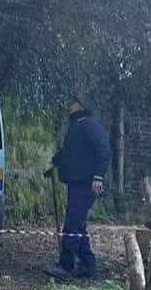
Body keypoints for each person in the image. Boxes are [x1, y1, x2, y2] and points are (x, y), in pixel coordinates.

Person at [46, 94, 111, 280]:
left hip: (85, 184)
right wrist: (53, 163)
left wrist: (98, 176)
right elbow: (68, 151)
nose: (70, 106)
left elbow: (104, 149)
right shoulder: (77, 126)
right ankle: (88, 264)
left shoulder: (90, 124)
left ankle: (65, 266)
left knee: (73, 223)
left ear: (82, 106)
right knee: (78, 224)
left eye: (73, 103)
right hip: (77, 183)